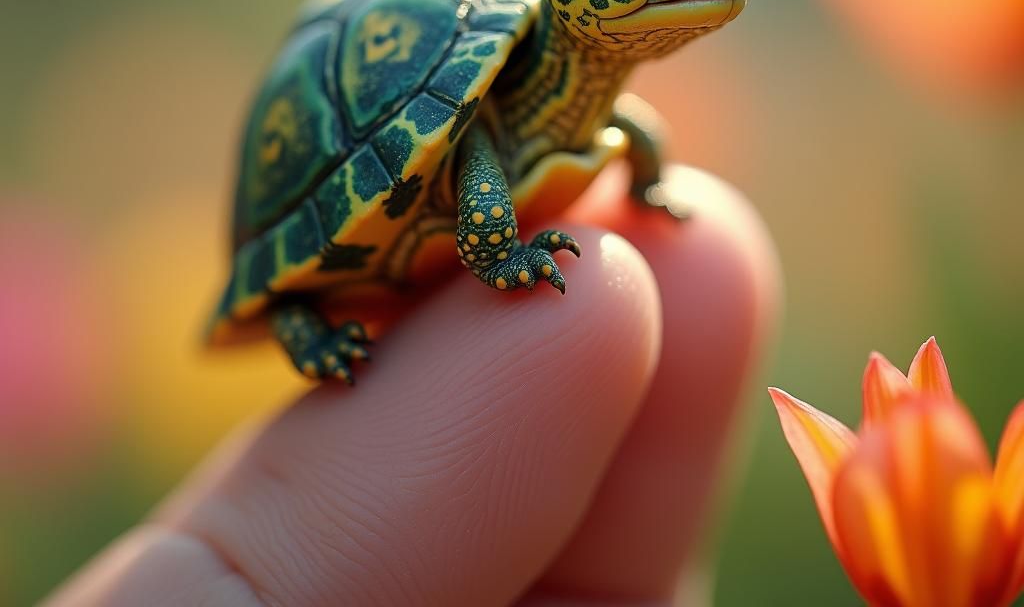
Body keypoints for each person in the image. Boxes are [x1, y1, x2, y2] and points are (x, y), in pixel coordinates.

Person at [46, 165, 779, 606]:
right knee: (314, 301)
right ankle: (308, 328)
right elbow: (472, 153)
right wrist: (496, 254)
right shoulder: (490, 137)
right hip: (351, 241)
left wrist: (645, 182)